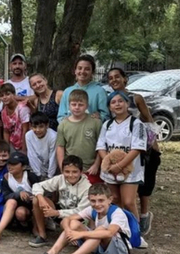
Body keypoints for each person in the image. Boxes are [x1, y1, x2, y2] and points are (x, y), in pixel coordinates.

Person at [33, 183, 136, 254]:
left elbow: (109, 233)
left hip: (119, 250)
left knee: (100, 230)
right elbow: (66, 220)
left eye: (101, 200)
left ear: (110, 200)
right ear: (89, 200)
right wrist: (69, 230)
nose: (97, 204)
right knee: (73, 223)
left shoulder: (117, 213)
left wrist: (80, 234)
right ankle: (52, 253)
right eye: (93, 201)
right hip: (100, 246)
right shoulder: (91, 209)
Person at [106, 68, 159, 235]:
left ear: (125, 79)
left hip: (141, 146)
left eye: (117, 77)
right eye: (111, 78)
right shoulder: (110, 100)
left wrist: (154, 145)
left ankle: (144, 215)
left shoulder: (136, 98)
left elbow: (148, 121)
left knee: (144, 184)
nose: (114, 80)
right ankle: (123, 224)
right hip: (119, 147)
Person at [97, 91, 148, 219]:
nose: (117, 104)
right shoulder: (107, 125)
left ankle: (135, 233)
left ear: (127, 103)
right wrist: (109, 163)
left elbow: (137, 148)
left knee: (128, 202)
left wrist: (119, 166)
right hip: (110, 170)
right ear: (109, 107)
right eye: (113, 102)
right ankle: (119, 231)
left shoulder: (136, 124)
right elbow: (101, 147)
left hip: (130, 170)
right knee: (114, 201)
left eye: (120, 101)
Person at [29, 155, 91, 247]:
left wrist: (56, 213)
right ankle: (42, 236)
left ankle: (74, 236)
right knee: (36, 199)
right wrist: (41, 198)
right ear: (62, 171)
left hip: (76, 218)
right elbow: (37, 185)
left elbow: (80, 211)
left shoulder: (87, 187)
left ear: (81, 172)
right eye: (67, 171)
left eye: (75, 172)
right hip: (60, 210)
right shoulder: (60, 178)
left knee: (69, 226)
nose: (70, 175)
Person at [56, 89, 103, 183]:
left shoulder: (96, 123)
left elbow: (101, 146)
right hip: (71, 170)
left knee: (92, 195)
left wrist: (96, 165)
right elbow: (60, 147)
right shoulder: (63, 124)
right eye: (73, 104)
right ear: (69, 106)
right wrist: (63, 168)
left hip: (91, 169)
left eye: (81, 105)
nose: (77, 107)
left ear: (87, 105)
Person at [0, 152, 41, 242]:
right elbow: (5, 196)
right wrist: (18, 194)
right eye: (9, 164)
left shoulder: (30, 177)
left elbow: (40, 191)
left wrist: (32, 195)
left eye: (14, 164)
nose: (10, 166)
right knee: (20, 212)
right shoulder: (6, 178)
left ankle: (36, 227)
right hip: (16, 206)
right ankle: (18, 224)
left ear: (24, 167)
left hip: (32, 206)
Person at [57, 54, 109, 122]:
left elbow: (105, 115)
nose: (82, 71)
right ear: (75, 71)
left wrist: (99, 117)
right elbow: (61, 116)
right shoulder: (67, 91)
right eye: (80, 68)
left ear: (92, 72)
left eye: (87, 69)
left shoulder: (99, 91)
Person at [0, 83, 30, 152]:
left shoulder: (22, 108)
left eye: (7, 94)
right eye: (2, 95)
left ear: (14, 94)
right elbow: (6, 131)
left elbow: (25, 129)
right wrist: (7, 150)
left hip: (24, 143)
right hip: (12, 143)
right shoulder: (3, 112)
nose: (4, 97)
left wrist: (24, 150)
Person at [25, 112, 58, 180]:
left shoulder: (53, 136)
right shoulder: (28, 135)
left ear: (47, 125)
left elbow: (53, 157)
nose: (37, 130)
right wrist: (38, 174)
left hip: (51, 168)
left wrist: (50, 175)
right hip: (37, 168)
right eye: (34, 127)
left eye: (41, 127)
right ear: (30, 126)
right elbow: (32, 155)